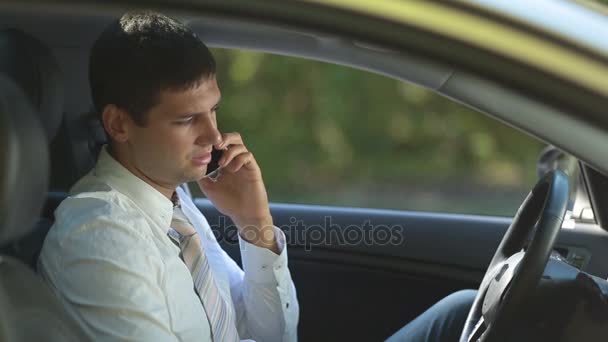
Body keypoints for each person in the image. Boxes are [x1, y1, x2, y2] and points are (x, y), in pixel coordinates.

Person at [38, 11, 298, 342]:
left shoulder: (178, 206)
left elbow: (271, 335)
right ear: (119, 124)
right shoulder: (99, 237)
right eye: (187, 119)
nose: (215, 137)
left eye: (213, 111)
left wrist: (255, 224)